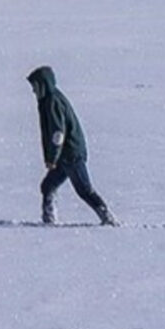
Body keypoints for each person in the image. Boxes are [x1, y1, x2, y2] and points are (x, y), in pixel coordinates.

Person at [26, 65, 118, 226]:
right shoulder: (50, 99)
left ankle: (107, 217)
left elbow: (57, 133)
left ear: (42, 85)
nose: (33, 91)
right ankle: (49, 219)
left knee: (84, 190)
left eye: (35, 87)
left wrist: (52, 158)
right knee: (48, 186)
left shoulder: (52, 101)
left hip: (70, 154)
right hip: (64, 155)